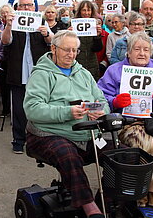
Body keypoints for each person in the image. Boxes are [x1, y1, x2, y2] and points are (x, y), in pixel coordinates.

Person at [24, 30, 109, 218]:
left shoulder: (84, 73)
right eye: (66, 50)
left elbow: (102, 100)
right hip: (47, 134)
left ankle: (107, 201)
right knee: (67, 153)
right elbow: (32, 109)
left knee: (121, 154)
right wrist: (66, 112)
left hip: (87, 133)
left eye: (75, 50)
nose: (71, 54)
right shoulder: (41, 74)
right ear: (53, 48)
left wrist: (102, 112)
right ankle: (89, 206)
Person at [98, 31, 153, 207]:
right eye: (137, 49)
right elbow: (100, 95)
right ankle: (144, 198)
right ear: (128, 52)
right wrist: (114, 101)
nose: (142, 53)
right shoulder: (114, 70)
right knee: (146, 146)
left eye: (146, 50)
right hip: (129, 123)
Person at [1, 0, 52, 153]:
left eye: (29, 5)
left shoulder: (42, 22)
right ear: (17, 8)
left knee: (40, 108)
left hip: (38, 76)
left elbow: (52, 42)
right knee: (18, 109)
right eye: (23, 5)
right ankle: (18, 140)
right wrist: (9, 26)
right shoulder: (13, 23)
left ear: (34, 7)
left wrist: (46, 34)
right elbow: (5, 41)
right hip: (18, 74)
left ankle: (38, 140)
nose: (26, 8)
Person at [72, 0, 103, 81]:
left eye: (88, 10)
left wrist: (98, 36)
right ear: (80, 11)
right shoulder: (72, 25)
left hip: (91, 64)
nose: (86, 13)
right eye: (84, 10)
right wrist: (69, 35)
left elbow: (98, 49)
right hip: (76, 63)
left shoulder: (95, 25)